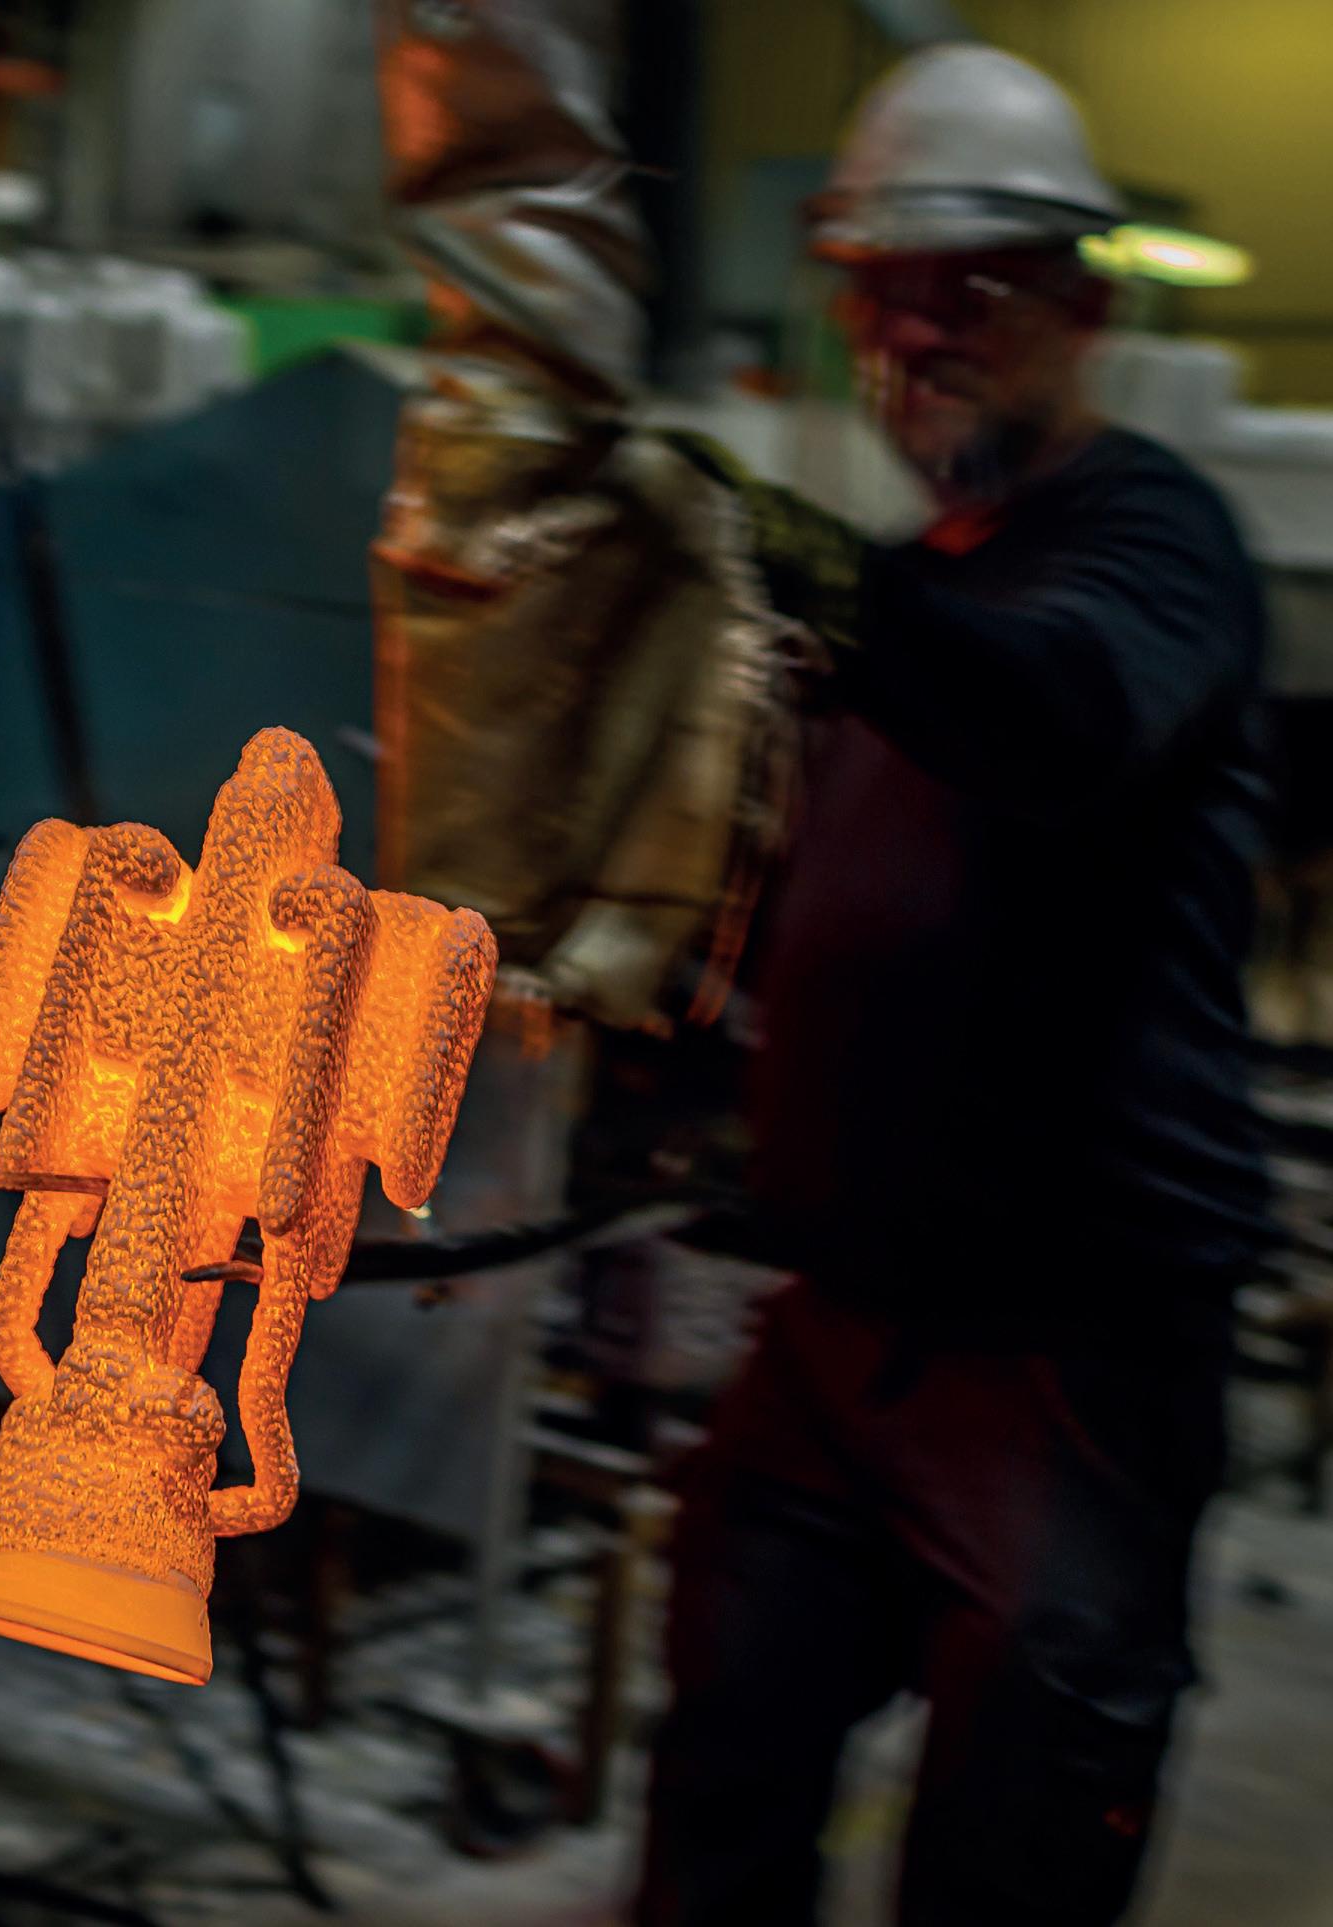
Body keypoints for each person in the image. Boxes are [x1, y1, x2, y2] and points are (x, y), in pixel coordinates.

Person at [634, 46, 1275, 1927]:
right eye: (878, 294)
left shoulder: (1151, 546)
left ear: (1085, 306)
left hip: (1063, 1358)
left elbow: (1053, 720)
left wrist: (783, 557)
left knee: (1013, 1854)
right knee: (721, 1781)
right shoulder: (919, 588)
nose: (913, 336)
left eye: (969, 292)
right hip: (840, 1334)